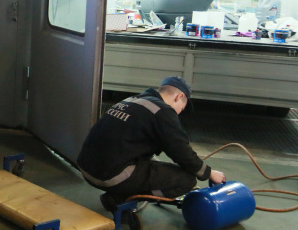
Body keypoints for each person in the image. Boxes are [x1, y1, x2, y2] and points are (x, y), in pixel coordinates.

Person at [76, 76, 226, 212]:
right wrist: (209, 173)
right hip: (109, 176)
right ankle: (119, 199)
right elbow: (181, 152)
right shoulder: (163, 111)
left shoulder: (132, 100)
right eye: (182, 108)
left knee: (152, 161)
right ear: (179, 96)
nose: (179, 113)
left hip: (85, 167)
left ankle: (120, 193)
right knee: (187, 180)